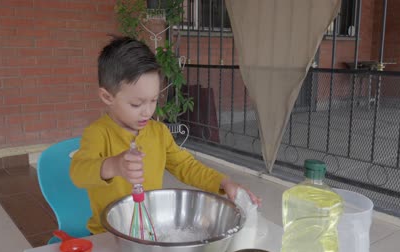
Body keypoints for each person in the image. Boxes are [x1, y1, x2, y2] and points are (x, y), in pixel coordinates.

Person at [70, 36, 260, 235]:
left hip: (149, 231)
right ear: (107, 97)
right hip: (108, 235)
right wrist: (114, 165)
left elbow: (186, 166)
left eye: (153, 100)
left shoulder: (158, 133)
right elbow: (78, 173)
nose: (147, 111)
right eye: (136, 104)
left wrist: (224, 182)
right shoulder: (98, 134)